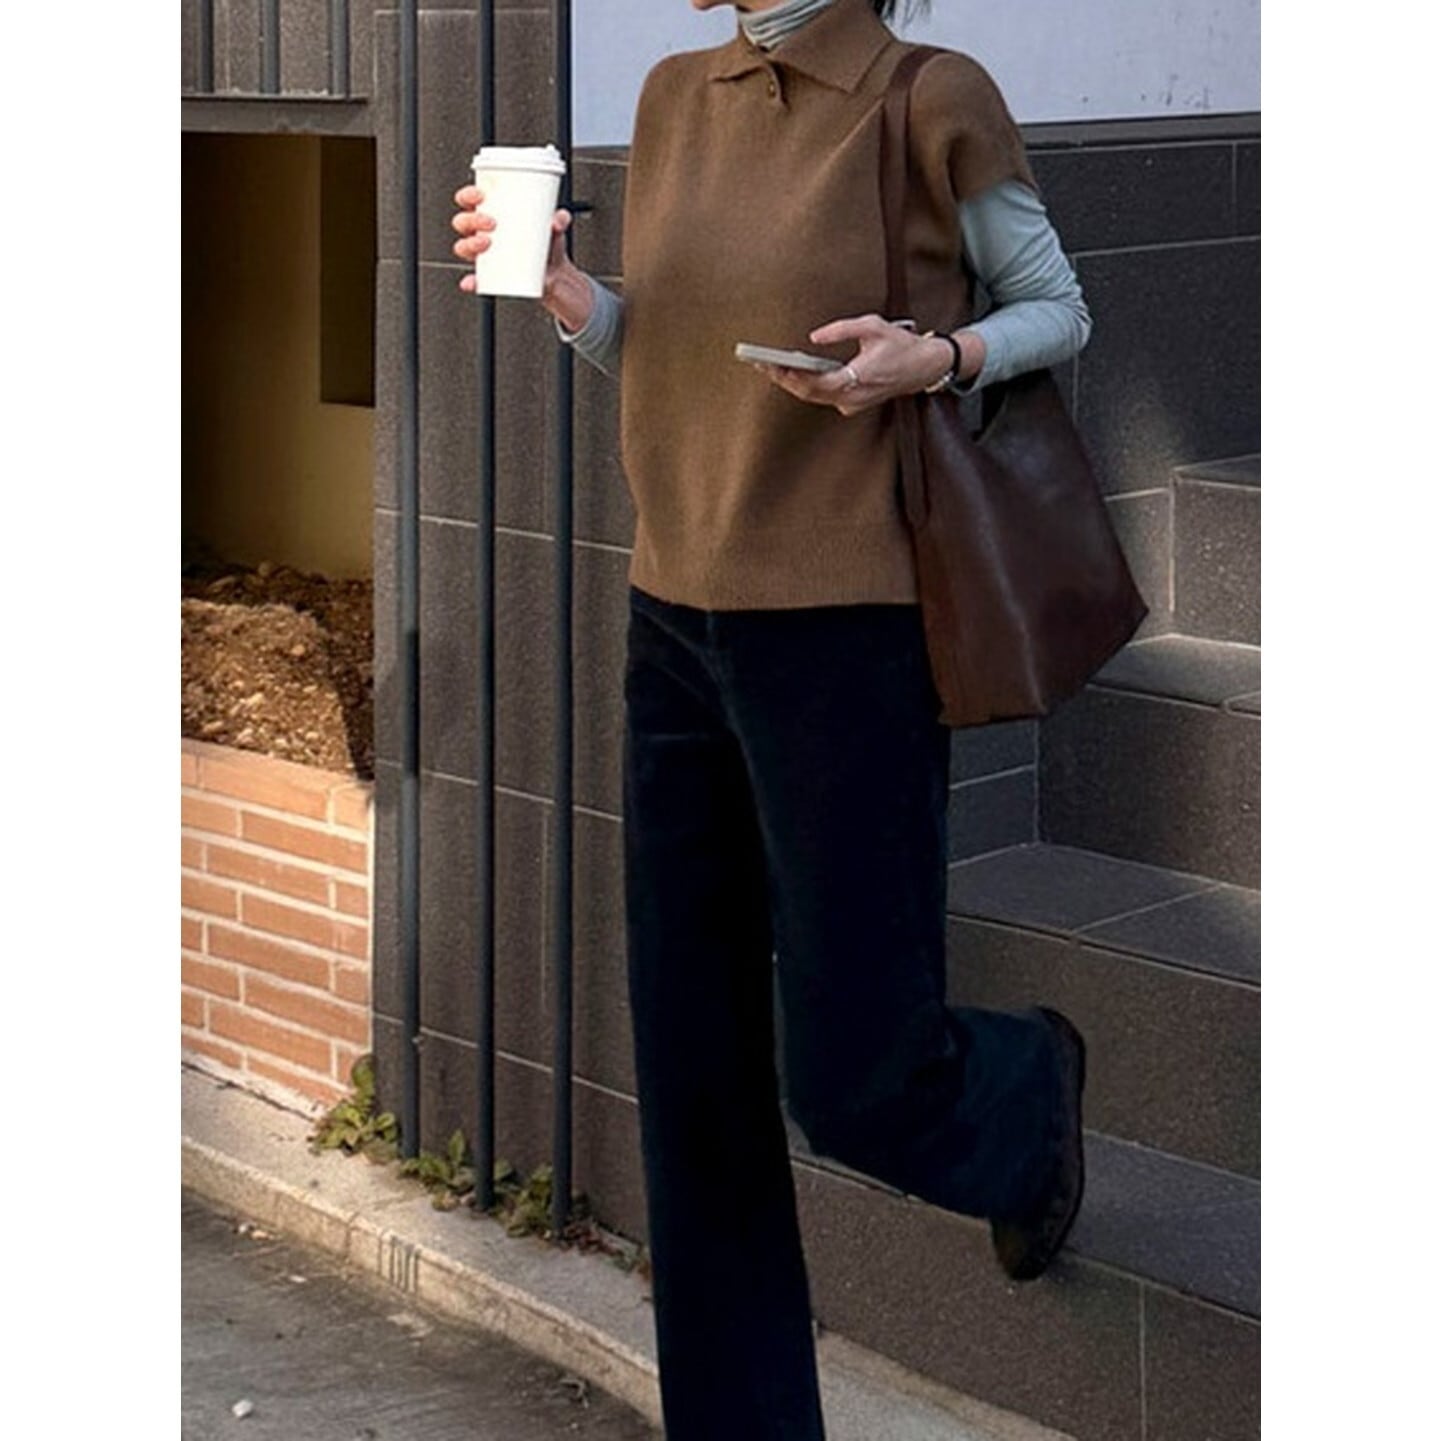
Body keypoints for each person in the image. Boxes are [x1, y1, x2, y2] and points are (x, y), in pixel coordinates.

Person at [453, 2, 1090, 1436]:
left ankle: (1024, 1088)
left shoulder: (931, 95)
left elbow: (1058, 307)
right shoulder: (674, 96)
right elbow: (678, 359)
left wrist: (933, 358)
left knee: (859, 1082)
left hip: (847, 637)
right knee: (693, 1080)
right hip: (672, 623)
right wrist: (572, 300)